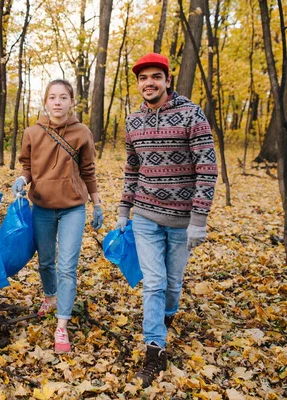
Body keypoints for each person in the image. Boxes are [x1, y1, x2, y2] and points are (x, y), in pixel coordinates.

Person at [116, 53, 218, 387]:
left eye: (155, 77)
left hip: (182, 221)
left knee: (172, 284)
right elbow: (133, 168)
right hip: (145, 216)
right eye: (143, 78)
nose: (149, 83)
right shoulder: (133, 122)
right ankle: (154, 350)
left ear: (167, 80)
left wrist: (199, 220)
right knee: (155, 282)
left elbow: (206, 166)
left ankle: (165, 317)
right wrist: (123, 210)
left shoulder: (192, 114)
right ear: (139, 83)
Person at [11, 79, 103, 354]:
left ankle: (61, 324)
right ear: (46, 101)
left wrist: (97, 204)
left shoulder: (82, 132)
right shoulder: (32, 132)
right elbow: (28, 166)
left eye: (63, 97)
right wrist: (22, 179)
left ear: (71, 101)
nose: (58, 102)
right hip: (41, 206)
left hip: (73, 206)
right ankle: (50, 298)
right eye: (53, 97)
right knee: (46, 262)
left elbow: (88, 170)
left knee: (66, 266)